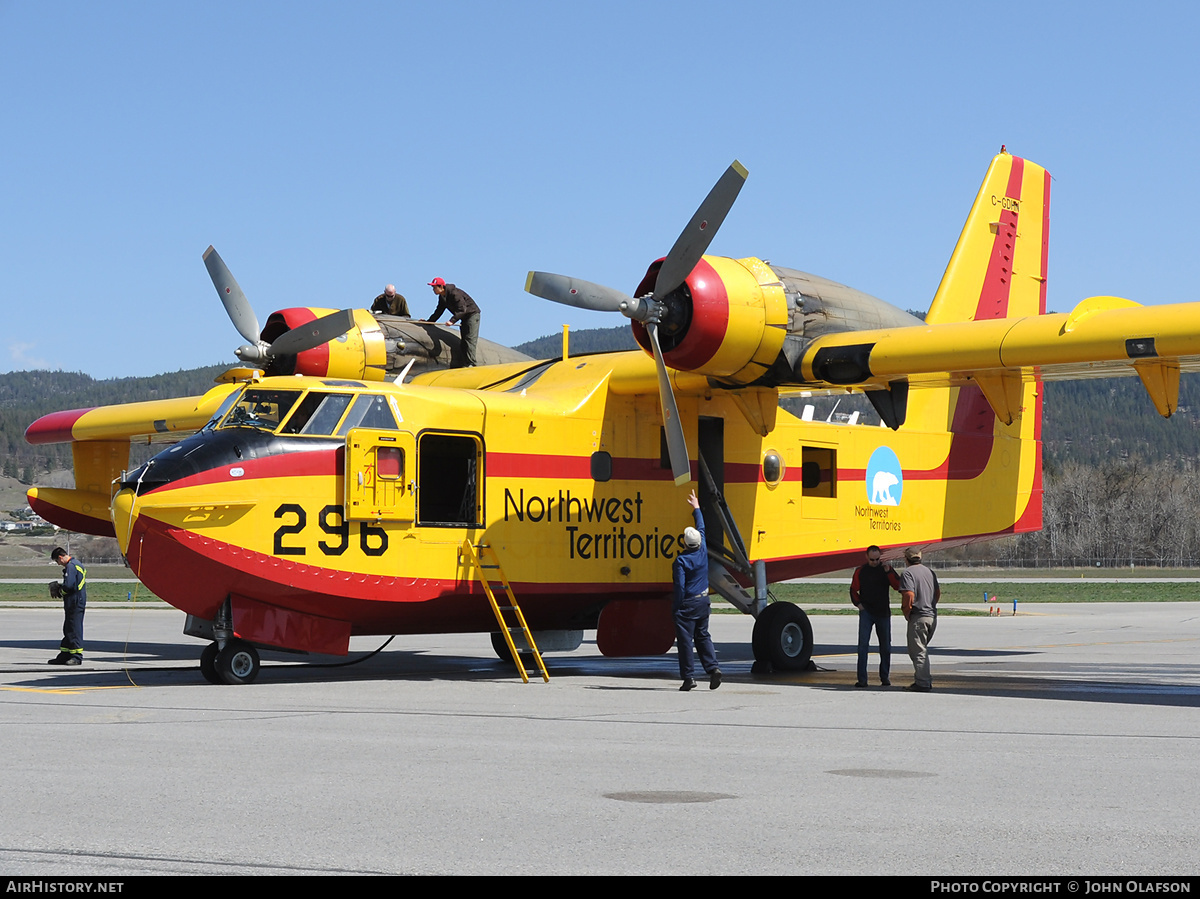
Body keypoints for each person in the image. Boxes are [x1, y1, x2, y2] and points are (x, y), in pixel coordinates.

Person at [673, 489, 721, 692]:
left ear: (684, 542)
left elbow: (680, 587)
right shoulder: (702, 550)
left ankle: (689, 677)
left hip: (688, 603)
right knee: (703, 636)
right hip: (703, 601)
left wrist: (676, 607)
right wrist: (697, 507)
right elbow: (701, 526)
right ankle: (713, 669)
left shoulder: (681, 561)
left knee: (685, 641)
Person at [850, 544, 900, 687]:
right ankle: (862, 679)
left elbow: (898, 586)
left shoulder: (886, 570)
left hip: (883, 613)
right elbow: (853, 589)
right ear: (867, 557)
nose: (875, 562)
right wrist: (858, 604)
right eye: (872, 560)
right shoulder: (861, 571)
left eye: (877, 559)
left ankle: (885, 677)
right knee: (863, 646)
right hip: (867, 612)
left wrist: (889, 572)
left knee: (885, 647)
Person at [899, 547, 940, 692]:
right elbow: (937, 593)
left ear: (906, 558)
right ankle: (922, 679)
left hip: (919, 616)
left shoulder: (908, 573)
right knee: (922, 649)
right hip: (931, 616)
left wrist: (906, 611)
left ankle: (923, 683)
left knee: (918, 652)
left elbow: (909, 594)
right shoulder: (929, 572)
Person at [424, 277, 481, 367]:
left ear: (441, 287)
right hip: (463, 317)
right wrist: (429, 322)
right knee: (463, 342)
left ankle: (472, 364)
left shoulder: (455, 294)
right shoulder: (442, 297)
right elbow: (439, 311)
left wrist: (452, 321)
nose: (433, 290)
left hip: (472, 315)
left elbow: (462, 310)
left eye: (435, 287)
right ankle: (465, 364)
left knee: (469, 340)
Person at [48, 547, 87, 666]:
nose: (59, 564)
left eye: (57, 561)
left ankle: (76, 656)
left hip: (75, 601)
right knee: (68, 628)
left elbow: (69, 586)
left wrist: (60, 590)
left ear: (60, 557)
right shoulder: (77, 564)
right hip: (75, 601)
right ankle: (65, 654)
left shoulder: (71, 566)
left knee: (74, 629)